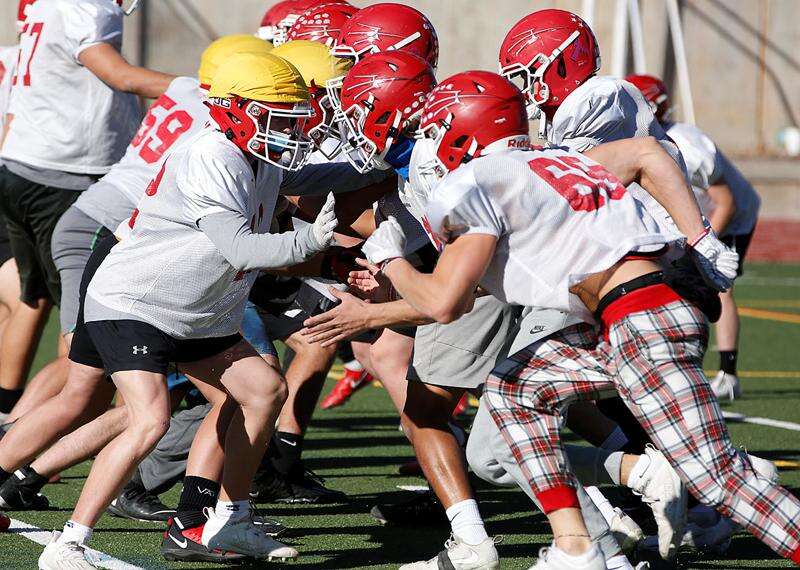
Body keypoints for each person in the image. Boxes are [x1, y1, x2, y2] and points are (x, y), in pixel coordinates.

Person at [357, 70, 800, 569]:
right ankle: (577, 547)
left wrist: (389, 256)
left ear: (462, 129)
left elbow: (444, 303)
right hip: (622, 318)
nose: (431, 143)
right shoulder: (555, 158)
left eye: (437, 129)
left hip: (640, 320)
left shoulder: (479, 180)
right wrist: (698, 238)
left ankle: (737, 480)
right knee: (513, 391)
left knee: (718, 482)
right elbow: (647, 153)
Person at [37, 51, 335, 569]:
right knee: (148, 418)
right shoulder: (211, 154)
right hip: (137, 301)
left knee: (263, 392)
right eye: (278, 114)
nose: (292, 127)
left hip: (197, 308)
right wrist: (312, 238)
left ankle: (229, 518)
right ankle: (70, 541)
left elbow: (314, 178)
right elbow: (240, 249)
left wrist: (375, 166)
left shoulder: (256, 154)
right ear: (235, 109)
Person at [0, 0, 174, 419]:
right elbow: (120, 75)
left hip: (24, 168)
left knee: (34, 299)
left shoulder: (47, 7)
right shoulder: (84, 6)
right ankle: (36, 434)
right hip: (64, 178)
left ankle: (11, 416)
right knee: (83, 324)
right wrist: (207, 86)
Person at [626, 73, 761, 401]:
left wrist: (703, 245)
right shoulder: (642, 142)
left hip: (729, 218)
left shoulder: (687, 143)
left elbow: (725, 202)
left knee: (718, 285)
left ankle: (728, 374)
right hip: (692, 218)